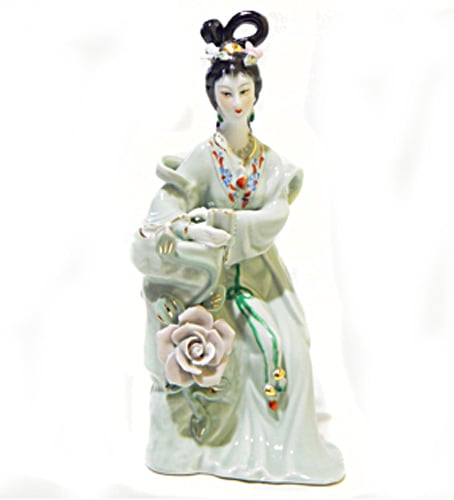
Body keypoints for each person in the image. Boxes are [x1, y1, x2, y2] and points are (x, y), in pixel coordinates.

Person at [131, 10, 345, 485]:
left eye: (244, 92)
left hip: (260, 274)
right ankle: (204, 441)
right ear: (214, 97)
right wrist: (184, 228)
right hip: (211, 278)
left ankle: (282, 444)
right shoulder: (204, 157)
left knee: (288, 345)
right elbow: (171, 202)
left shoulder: (269, 161)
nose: (236, 102)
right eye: (227, 94)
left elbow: (275, 215)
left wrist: (226, 221)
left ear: (256, 94)